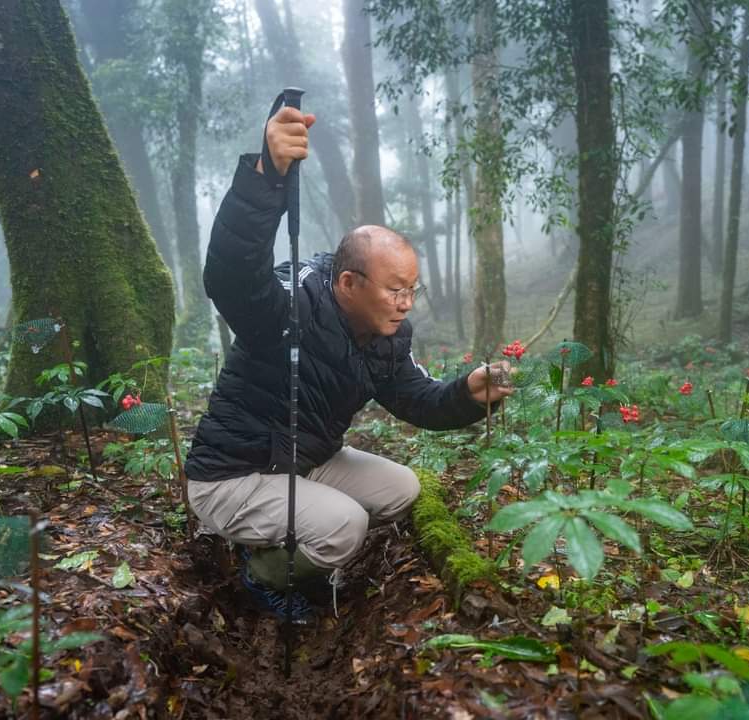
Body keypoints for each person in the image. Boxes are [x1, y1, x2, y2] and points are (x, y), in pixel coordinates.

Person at [184, 106, 514, 623]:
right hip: (234, 475)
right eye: (394, 289)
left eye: (412, 289)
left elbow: (415, 398)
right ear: (349, 284)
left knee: (403, 488)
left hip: (302, 461)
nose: (406, 302)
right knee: (344, 527)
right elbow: (232, 277)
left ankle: (295, 546)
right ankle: (262, 572)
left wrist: (467, 395)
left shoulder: (387, 337)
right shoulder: (290, 307)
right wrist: (267, 178)